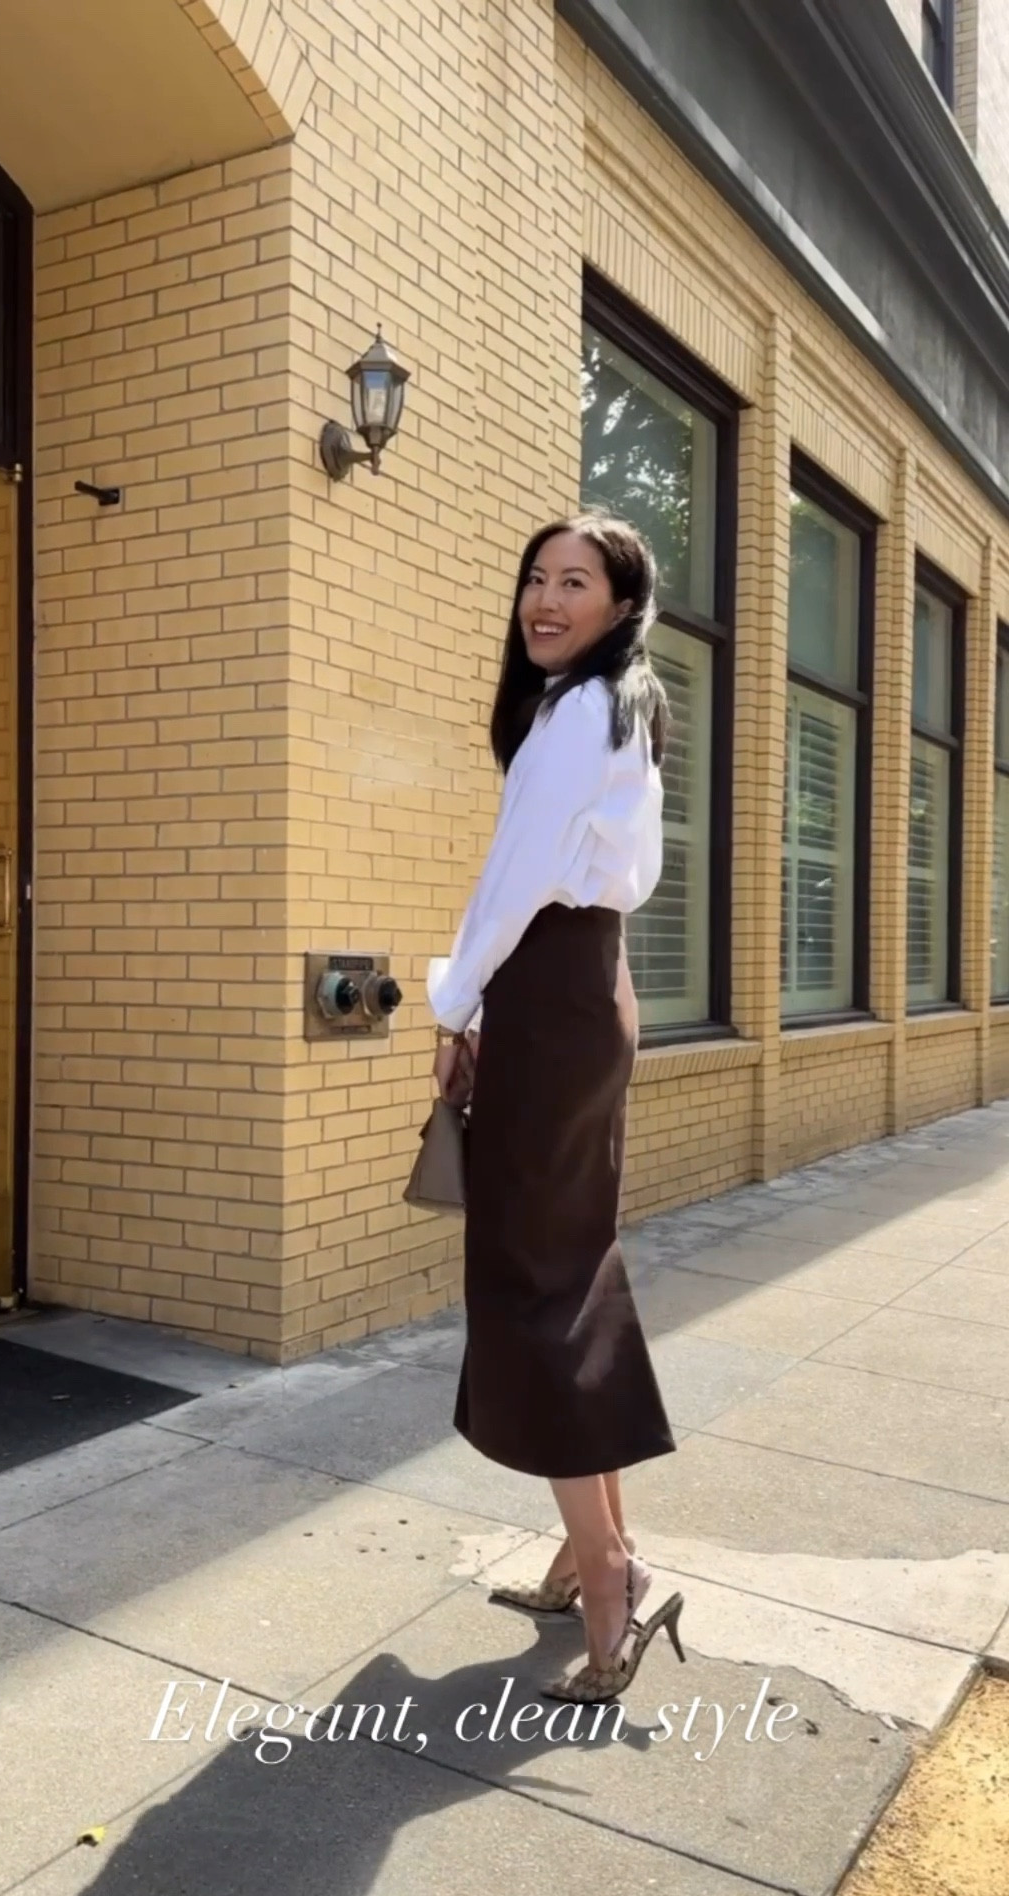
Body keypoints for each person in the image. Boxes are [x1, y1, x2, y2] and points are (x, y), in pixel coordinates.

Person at [426, 511, 685, 1705]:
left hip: (551, 993)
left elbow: (514, 883)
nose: (544, 599)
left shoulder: (581, 714)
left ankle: (608, 1574)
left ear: (621, 605)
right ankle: (599, 1558)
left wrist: (455, 1004)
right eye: (535, 577)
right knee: (570, 1273)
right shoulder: (610, 709)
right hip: (583, 988)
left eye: (574, 582)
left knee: (534, 1284)